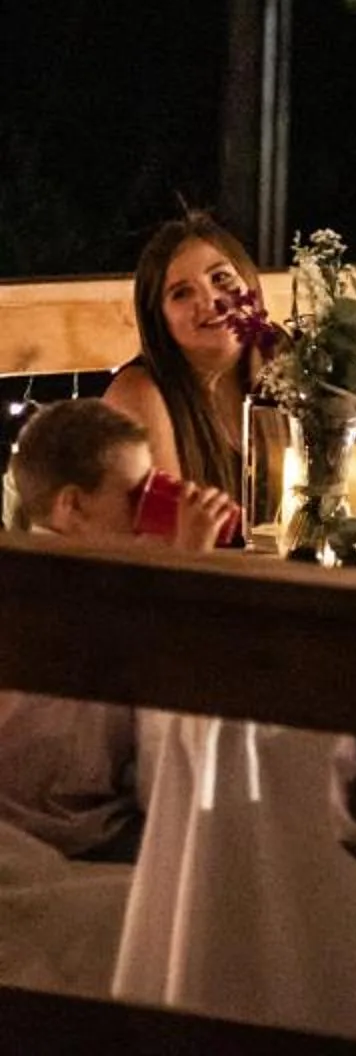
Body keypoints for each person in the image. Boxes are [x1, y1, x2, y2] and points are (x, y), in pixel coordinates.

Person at [1, 400, 240, 864]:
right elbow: (168, 752)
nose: (146, 512)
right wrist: (185, 573)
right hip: (64, 829)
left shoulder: (42, 573)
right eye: (137, 496)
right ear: (70, 506)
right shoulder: (74, 595)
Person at [102, 213, 268, 508]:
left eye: (221, 278)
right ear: (159, 319)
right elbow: (170, 538)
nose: (210, 301)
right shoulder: (138, 393)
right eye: (181, 293)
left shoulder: (284, 361)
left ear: (249, 283)